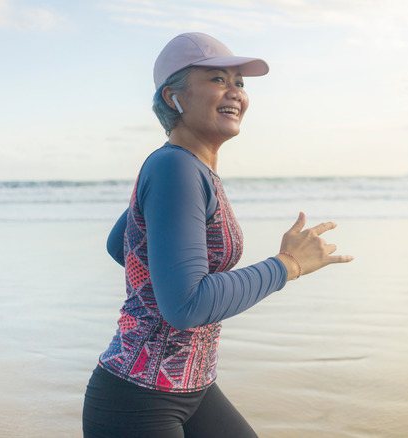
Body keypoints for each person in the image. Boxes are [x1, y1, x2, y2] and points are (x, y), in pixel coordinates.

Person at [82, 32, 353, 438]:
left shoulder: (184, 165)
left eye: (239, 83)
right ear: (175, 98)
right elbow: (186, 306)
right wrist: (288, 265)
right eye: (217, 79)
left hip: (194, 389)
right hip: (138, 403)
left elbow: (121, 245)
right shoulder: (176, 169)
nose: (235, 93)